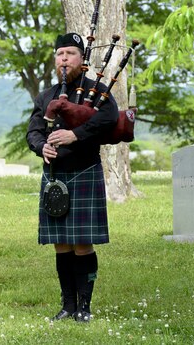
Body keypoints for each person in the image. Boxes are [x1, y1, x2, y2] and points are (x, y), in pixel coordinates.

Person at [26, 32, 118, 322]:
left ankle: (85, 308)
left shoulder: (98, 92)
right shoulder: (47, 96)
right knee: (61, 244)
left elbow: (109, 119)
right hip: (55, 176)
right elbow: (33, 131)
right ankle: (68, 306)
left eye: (70, 53)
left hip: (85, 172)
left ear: (82, 58)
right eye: (59, 54)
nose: (64, 59)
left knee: (82, 244)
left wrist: (75, 134)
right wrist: (42, 148)